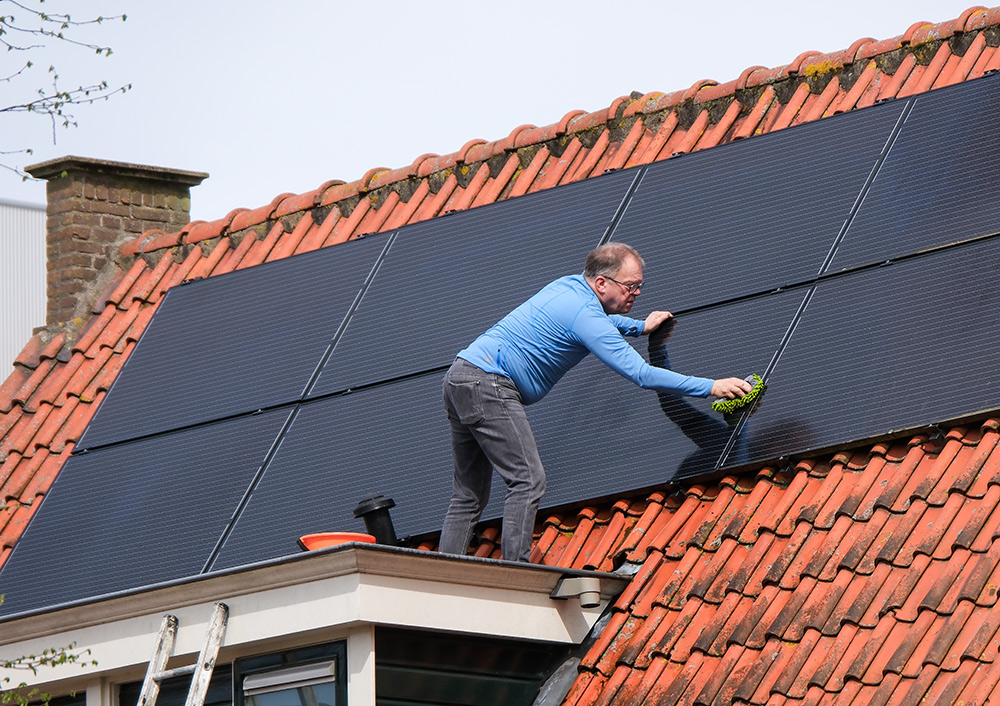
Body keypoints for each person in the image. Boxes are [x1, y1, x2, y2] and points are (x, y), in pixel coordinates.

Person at [439, 243, 751, 562]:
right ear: (602, 283)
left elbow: (603, 322)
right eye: (631, 286)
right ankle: (516, 571)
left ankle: (441, 575)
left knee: (469, 494)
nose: (638, 293)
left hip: (459, 377)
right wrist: (712, 386)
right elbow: (641, 374)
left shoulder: (569, 287)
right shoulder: (584, 314)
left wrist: (640, 327)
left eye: (640, 285)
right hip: (489, 383)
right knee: (528, 479)